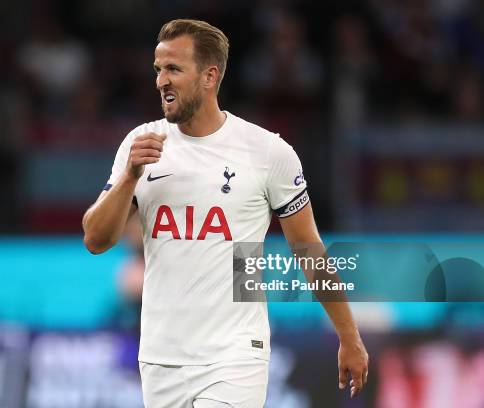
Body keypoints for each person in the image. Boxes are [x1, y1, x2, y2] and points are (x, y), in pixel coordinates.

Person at [83, 19, 368, 408]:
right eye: (158, 69)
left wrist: (349, 338)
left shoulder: (267, 153)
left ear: (209, 76)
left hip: (235, 355)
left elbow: (308, 250)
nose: (161, 81)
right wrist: (130, 177)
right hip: (160, 357)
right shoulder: (141, 145)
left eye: (174, 69)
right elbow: (95, 239)